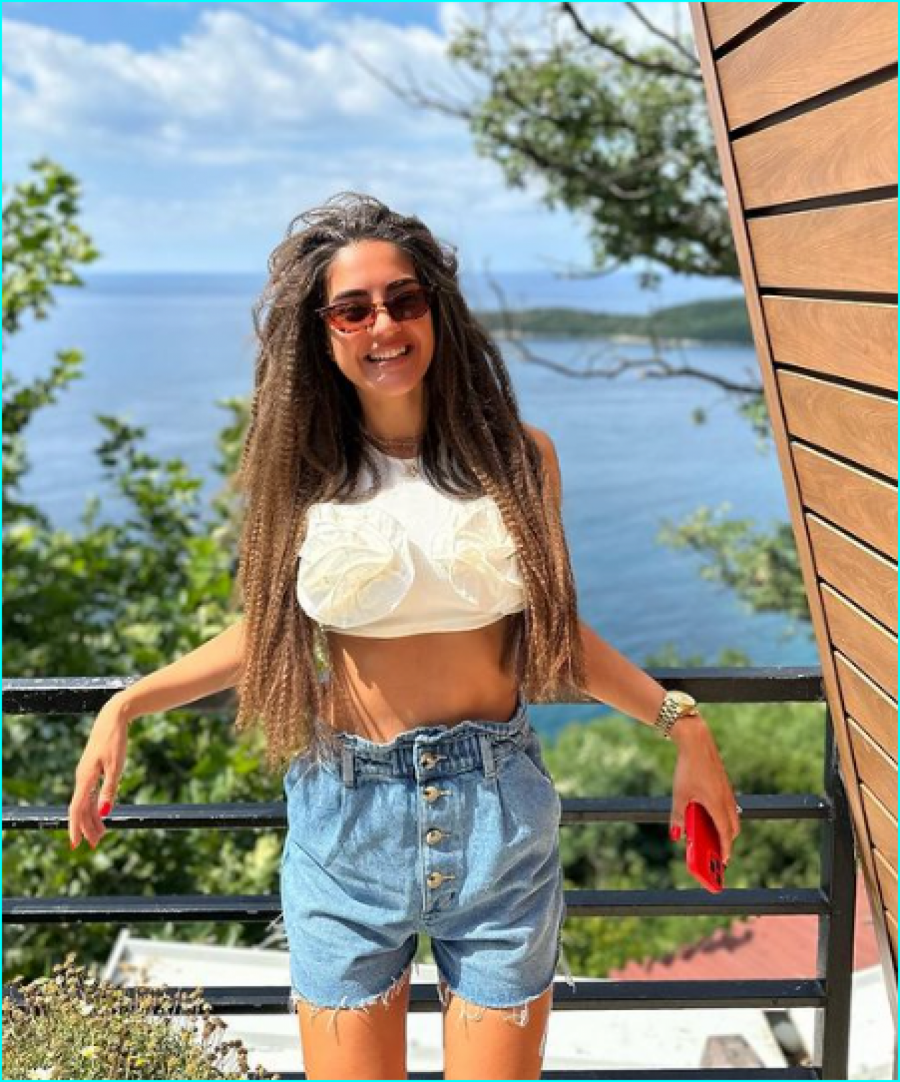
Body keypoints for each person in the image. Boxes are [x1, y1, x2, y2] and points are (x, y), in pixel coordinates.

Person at [68, 192, 741, 1081]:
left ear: (436, 311)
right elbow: (264, 632)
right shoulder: (300, 475)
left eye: (403, 299)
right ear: (322, 334)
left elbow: (555, 636)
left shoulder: (519, 458)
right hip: (347, 820)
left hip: (498, 817)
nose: (383, 324)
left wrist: (681, 724)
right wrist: (128, 703)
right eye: (352, 310)